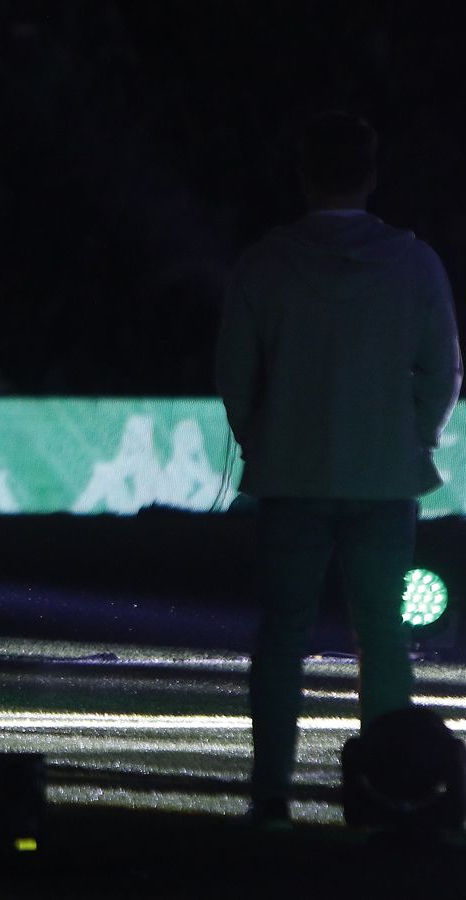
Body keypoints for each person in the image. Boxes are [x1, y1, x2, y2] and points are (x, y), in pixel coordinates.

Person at [215, 111, 462, 826]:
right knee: (383, 635)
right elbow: (442, 369)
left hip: (292, 475)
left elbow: (236, 370)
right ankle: (389, 785)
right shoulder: (413, 262)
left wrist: (262, 439)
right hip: (385, 477)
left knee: (283, 632)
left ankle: (270, 790)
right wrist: (414, 438)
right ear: (371, 175)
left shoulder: (267, 260)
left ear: (303, 173)